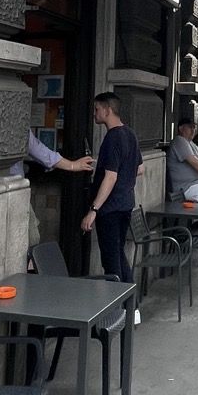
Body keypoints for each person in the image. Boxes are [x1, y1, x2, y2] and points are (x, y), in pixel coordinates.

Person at [80, 92, 144, 284]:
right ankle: (130, 301)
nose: (94, 113)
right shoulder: (130, 133)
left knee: (111, 262)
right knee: (118, 255)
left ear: (108, 110)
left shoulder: (112, 138)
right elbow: (140, 168)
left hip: (110, 208)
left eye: (97, 109)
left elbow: (110, 177)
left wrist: (93, 210)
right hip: (125, 205)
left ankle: (118, 302)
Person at [10, 129, 94, 176]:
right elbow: (37, 150)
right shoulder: (17, 122)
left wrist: (72, 165)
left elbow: (37, 150)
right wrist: (72, 165)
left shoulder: (19, 121)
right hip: (12, 183)